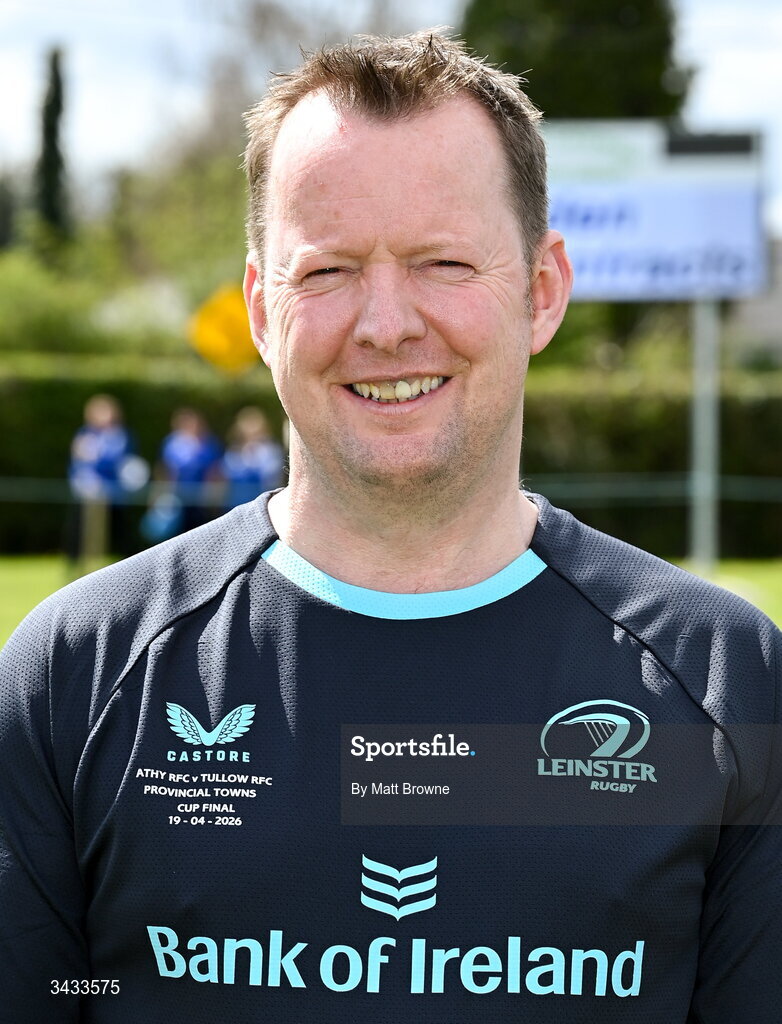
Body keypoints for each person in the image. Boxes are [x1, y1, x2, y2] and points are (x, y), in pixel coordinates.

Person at [0, 31, 780, 1024]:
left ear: (541, 289)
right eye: (325, 272)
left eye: (442, 261)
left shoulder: (726, 680)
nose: (384, 323)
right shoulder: (73, 675)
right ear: (257, 306)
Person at [220, 406, 286, 509]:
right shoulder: (235, 449)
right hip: (235, 501)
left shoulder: (271, 449)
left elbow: (272, 473)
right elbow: (227, 471)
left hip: (260, 498)